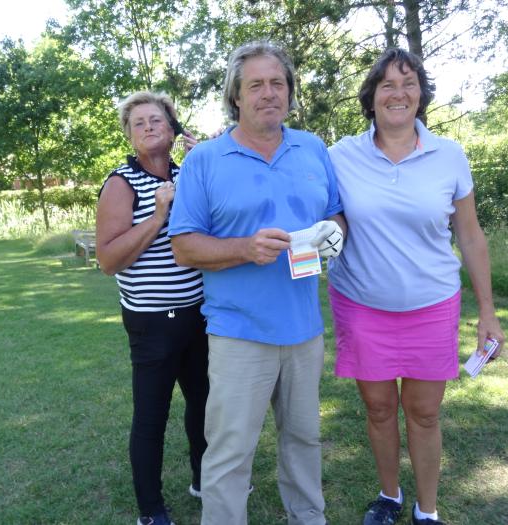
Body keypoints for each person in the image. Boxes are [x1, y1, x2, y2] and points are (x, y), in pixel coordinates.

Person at [326, 48, 506, 525]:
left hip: (432, 304)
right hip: (361, 304)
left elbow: (470, 236)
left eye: (408, 83)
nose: (398, 93)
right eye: (387, 84)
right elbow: (312, 199)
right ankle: (389, 496)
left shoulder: (449, 155)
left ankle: (427, 510)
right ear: (371, 97)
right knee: (379, 409)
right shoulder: (340, 156)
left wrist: (488, 312)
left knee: (424, 413)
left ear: (421, 95)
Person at [169, 40, 344, 525]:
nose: (269, 93)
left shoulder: (312, 148)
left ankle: (308, 517)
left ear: (289, 91)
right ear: (236, 96)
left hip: (304, 330)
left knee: (304, 440)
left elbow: (335, 214)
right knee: (230, 452)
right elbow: (184, 247)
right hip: (239, 332)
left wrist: (335, 234)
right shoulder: (206, 159)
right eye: (256, 85)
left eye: (278, 83)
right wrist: (245, 248)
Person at [96, 91, 207, 525]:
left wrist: (207, 163)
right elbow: (108, 260)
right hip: (152, 323)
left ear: (173, 128)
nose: (147, 127)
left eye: (156, 119)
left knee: (204, 405)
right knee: (151, 417)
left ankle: (203, 480)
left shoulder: (189, 173)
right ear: (129, 135)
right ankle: (151, 510)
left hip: (199, 314)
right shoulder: (121, 183)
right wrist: (157, 216)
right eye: (138, 122)